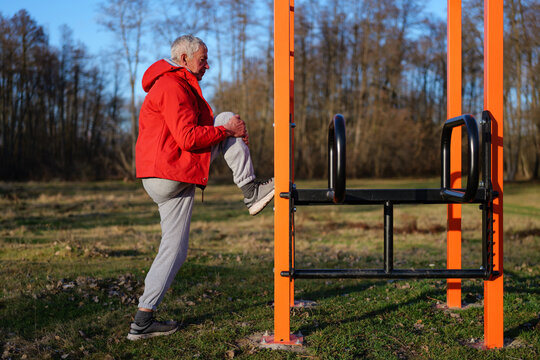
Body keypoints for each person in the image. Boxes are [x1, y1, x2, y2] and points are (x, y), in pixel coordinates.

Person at [127, 35, 274, 341]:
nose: (208, 65)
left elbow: (199, 131)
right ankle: (250, 192)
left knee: (175, 250)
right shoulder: (172, 85)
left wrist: (230, 135)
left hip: (162, 175)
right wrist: (229, 130)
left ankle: (143, 320)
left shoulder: (177, 84)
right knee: (225, 118)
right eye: (203, 59)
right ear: (184, 59)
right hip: (168, 170)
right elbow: (189, 138)